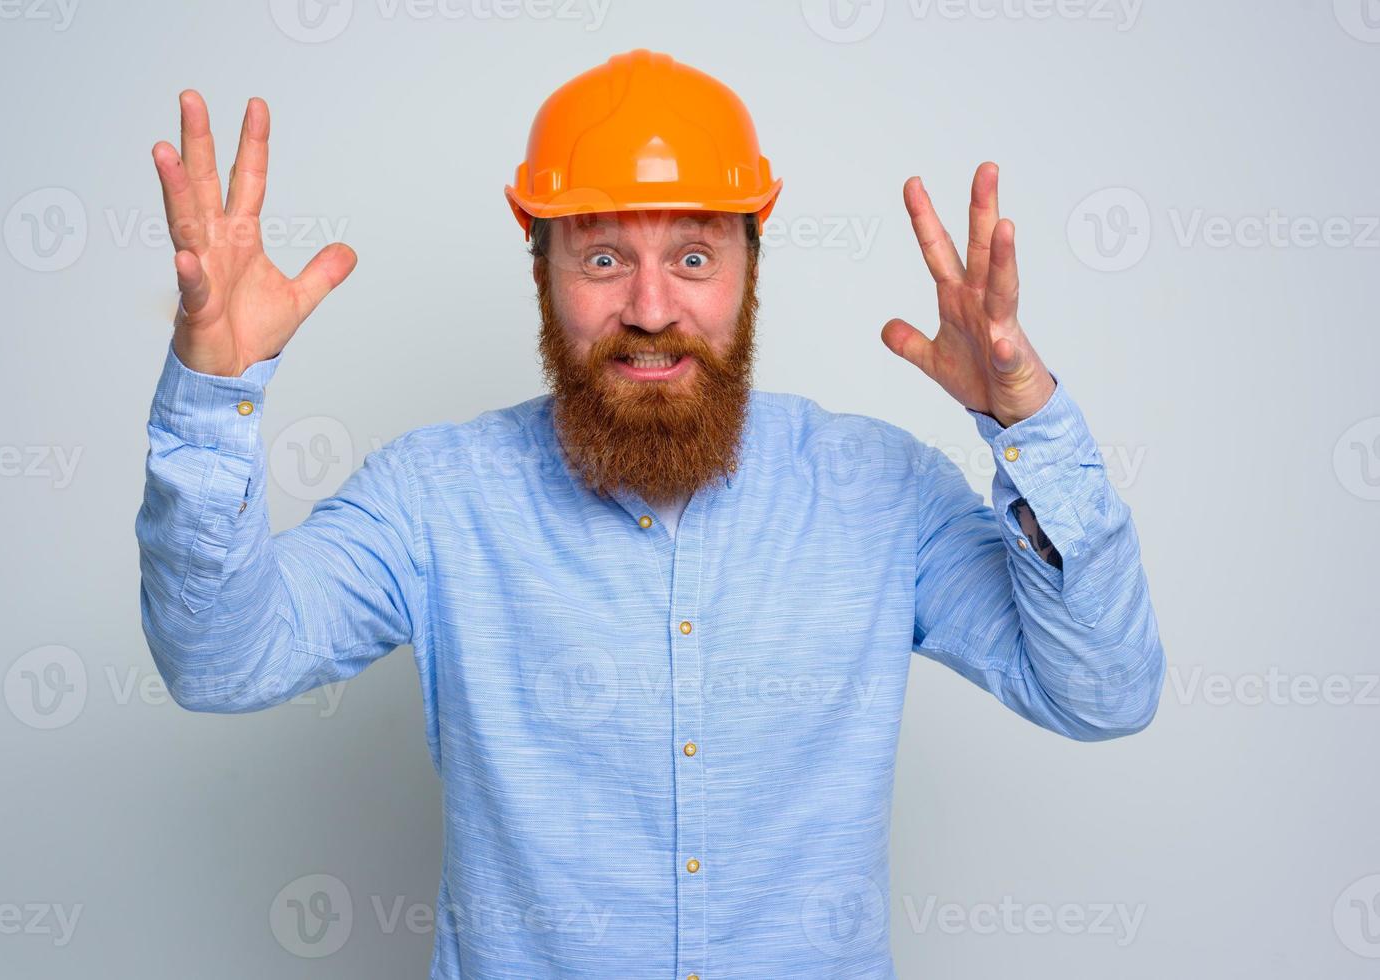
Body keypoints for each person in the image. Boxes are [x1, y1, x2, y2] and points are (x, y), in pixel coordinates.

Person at [136, 48, 1164, 979]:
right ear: (539, 271)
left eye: (691, 256)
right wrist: (212, 399)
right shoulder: (433, 497)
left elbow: (1104, 690)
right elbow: (223, 662)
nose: (650, 307)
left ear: (748, 271)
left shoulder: (881, 493)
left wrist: (1028, 425)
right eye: (598, 258)